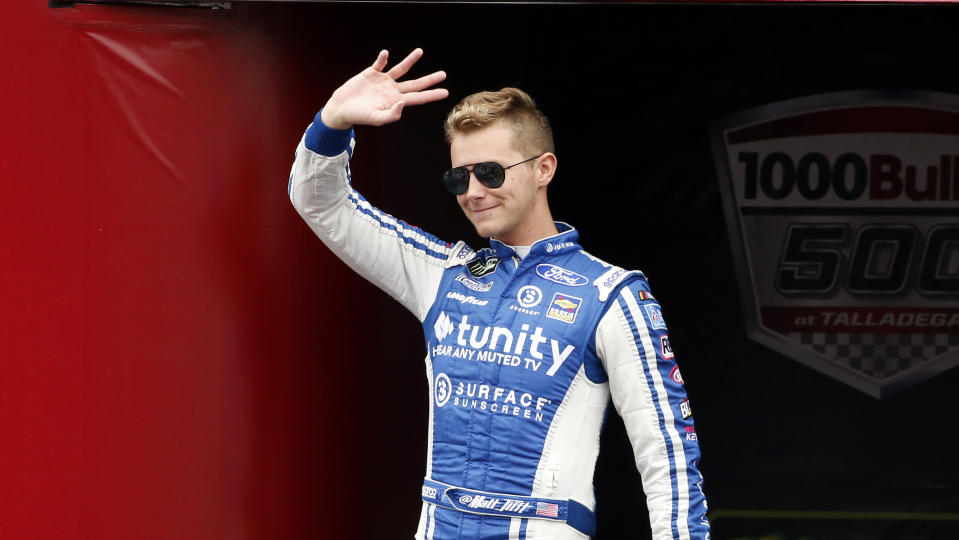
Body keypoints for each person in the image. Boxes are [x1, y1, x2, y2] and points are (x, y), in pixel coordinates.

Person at [288, 48, 710, 540]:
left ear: (544, 168)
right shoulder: (442, 272)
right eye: (458, 176)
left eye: (490, 171)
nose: (473, 191)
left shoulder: (611, 294)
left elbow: (668, 456)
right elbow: (321, 203)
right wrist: (332, 122)